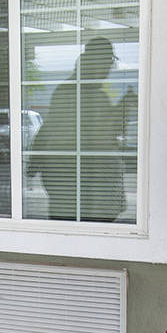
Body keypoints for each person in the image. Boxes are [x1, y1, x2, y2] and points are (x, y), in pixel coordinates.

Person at [28, 37, 126, 221]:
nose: (108, 69)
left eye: (110, 63)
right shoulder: (77, 92)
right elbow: (97, 136)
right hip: (73, 180)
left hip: (83, 182)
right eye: (107, 62)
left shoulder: (81, 91)